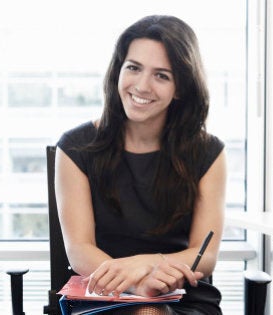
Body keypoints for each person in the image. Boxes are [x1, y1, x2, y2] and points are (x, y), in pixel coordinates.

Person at [54, 15, 225, 315]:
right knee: (147, 312)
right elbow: (79, 249)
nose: (142, 86)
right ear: (118, 71)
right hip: (102, 288)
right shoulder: (75, 148)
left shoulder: (208, 152)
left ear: (181, 87)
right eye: (133, 68)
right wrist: (136, 282)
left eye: (161, 75)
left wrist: (147, 264)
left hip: (182, 291)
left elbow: (205, 253)